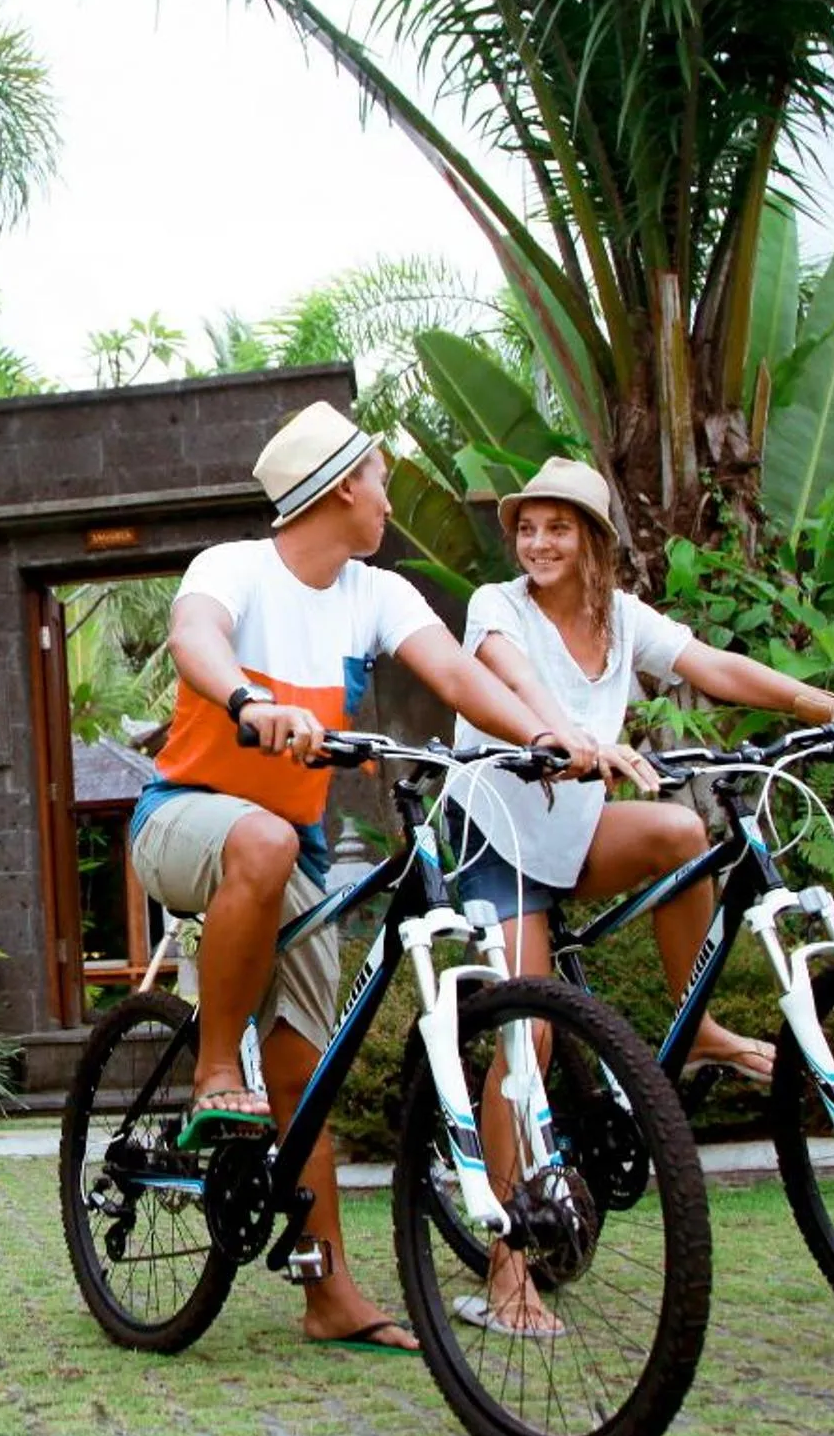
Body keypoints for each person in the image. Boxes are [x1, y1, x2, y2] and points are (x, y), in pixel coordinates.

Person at [130, 400, 572, 1356]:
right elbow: (195, 638)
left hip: (292, 847)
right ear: (340, 489)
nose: (388, 496)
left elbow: (456, 676)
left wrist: (543, 737)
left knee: (306, 1065)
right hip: (180, 820)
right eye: (379, 478)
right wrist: (250, 701)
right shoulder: (233, 569)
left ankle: (327, 1291)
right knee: (263, 842)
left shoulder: (376, 594)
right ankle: (212, 1068)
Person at [447, 454, 834, 1336]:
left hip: (570, 831)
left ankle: (700, 1032)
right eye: (528, 527)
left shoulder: (620, 621)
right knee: (527, 1040)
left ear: (594, 541)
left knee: (683, 835)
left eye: (558, 527)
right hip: (495, 836)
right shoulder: (496, 608)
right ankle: (505, 1268)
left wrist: (823, 702)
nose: (538, 542)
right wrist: (567, 733)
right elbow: (512, 680)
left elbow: (714, 664)